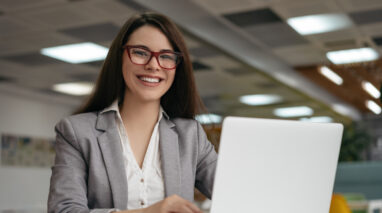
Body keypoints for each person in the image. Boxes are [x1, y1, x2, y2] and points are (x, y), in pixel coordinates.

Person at [48, 12, 218, 213]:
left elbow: (236, 193)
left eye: (166, 56)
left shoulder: (191, 136)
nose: (153, 65)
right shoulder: (76, 132)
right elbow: (63, 210)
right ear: (120, 58)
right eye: (140, 52)